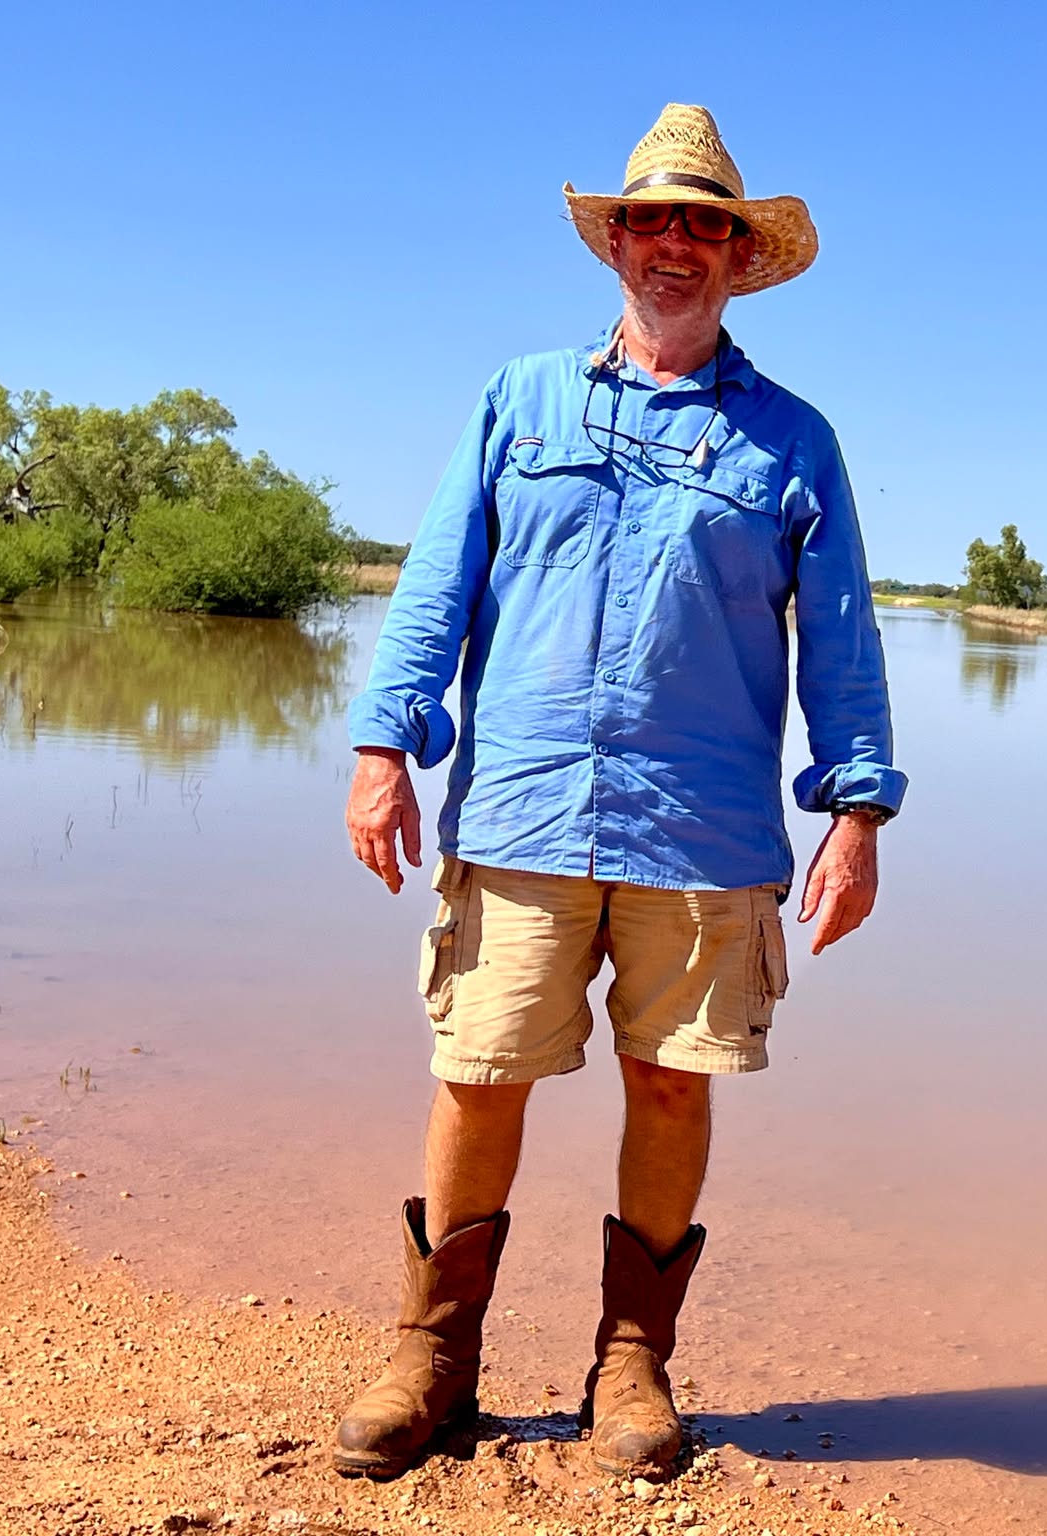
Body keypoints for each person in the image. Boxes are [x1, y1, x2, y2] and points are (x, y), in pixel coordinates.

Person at [333, 103, 905, 1482]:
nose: (674, 246)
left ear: (737, 252)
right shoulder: (517, 399)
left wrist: (859, 813)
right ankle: (435, 1354)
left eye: (703, 223)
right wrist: (381, 745)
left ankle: (632, 1365)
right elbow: (436, 584)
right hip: (522, 806)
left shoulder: (793, 442)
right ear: (618, 242)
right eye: (652, 219)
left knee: (669, 1087)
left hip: (702, 831)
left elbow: (841, 638)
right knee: (479, 1076)